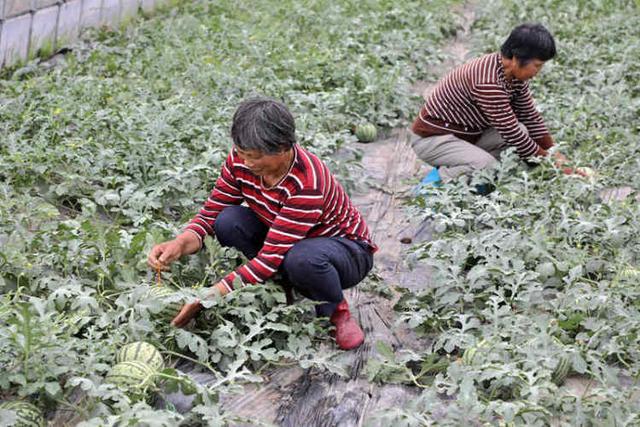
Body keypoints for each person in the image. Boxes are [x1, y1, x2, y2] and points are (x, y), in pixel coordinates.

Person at [147, 97, 376, 350]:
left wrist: (209, 296)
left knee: (302, 259)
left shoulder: (307, 183)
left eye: (254, 157)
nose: (246, 163)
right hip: (285, 238)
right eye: (241, 153)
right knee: (227, 221)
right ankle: (283, 286)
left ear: (282, 148)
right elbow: (212, 212)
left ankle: (336, 311)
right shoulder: (240, 160)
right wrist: (179, 244)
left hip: (347, 252)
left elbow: (269, 257)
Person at [410, 23, 585, 186]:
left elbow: (531, 119)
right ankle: (433, 185)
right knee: (486, 167)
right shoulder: (488, 82)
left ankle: (465, 170)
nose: (537, 72)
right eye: (537, 65)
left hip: (466, 135)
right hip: (433, 139)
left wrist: (557, 156)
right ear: (517, 58)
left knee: (524, 129)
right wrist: (556, 167)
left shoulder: (512, 75)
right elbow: (512, 134)